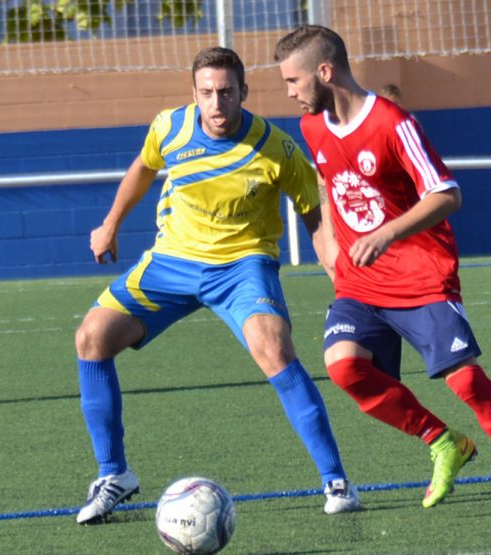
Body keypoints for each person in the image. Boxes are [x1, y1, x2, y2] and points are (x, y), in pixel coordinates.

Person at [74, 46, 360, 525]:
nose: (216, 103)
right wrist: (110, 224)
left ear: (244, 93)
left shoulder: (276, 148)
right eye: (206, 93)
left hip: (242, 266)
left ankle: (336, 481)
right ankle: (114, 475)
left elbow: (315, 215)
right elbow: (144, 167)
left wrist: (338, 274)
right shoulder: (169, 127)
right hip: (173, 261)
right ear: (194, 94)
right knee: (91, 337)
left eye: (226, 92)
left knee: (273, 348)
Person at [274, 25, 491, 515]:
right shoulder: (312, 125)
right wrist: (331, 246)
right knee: (343, 367)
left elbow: (448, 194)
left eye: (293, 81)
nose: (290, 92)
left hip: (421, 274)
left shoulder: (392, 123)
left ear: (325, 71)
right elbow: (326, 180)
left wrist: (386, 234)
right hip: (360, 281)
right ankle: (442, 441)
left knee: (464, 382)